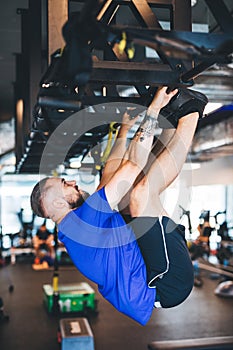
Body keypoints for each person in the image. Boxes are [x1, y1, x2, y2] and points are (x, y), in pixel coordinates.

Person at [30, 86, 208, 325]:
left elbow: (110, 177)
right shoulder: (82, 223)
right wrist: (153, 110)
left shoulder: (76, 224)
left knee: (121, 191)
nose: (71, 181)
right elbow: (132, 165)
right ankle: (191, 112)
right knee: (140, 194)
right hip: (167, 282)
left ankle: (169, 122)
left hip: (149, 270)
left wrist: (124, 130)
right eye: (65, 183)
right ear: (59, 202)